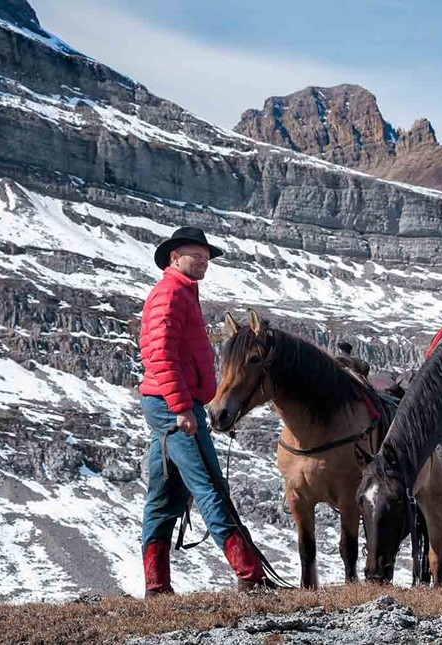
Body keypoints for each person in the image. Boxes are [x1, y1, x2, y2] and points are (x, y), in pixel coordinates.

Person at [139, 226, 269, 596]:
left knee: (166, 495)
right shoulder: (170, 294)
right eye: (195, 255)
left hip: (168, 402)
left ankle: (156, 586)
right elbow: (159, 354)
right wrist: (182, 408)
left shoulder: (181, 293)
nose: (203, 262)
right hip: (173, 406)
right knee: (209, 483)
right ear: (173, 258)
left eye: (206, 257)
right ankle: (249, 574)